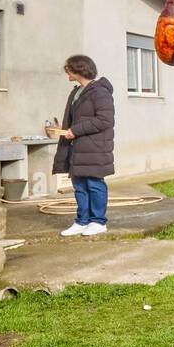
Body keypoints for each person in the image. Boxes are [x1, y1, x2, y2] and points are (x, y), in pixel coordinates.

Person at [51, 55, 115, 236]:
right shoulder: (76, 91)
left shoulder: (100, 92)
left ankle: (98, 221)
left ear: (79, 70)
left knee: (94, 184)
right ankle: (82, 221)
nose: (67, 74)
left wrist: (76, 130)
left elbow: (105, 120)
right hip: (77, 148)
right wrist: (63, 129)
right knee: (79, 185)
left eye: (69, 70)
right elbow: (76, 119)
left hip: (94, 148)